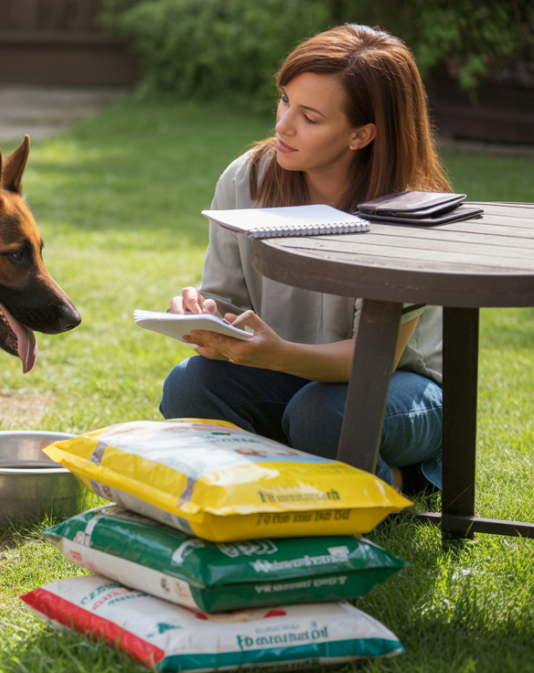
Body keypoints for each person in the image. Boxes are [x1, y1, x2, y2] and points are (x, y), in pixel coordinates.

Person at [158, 24, 447, 495]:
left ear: (361, 135)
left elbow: (375, 360)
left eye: (310, 117)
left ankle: (400, 479)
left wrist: (277, 355)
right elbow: (227, 301)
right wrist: (205, 317)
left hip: (402, 389)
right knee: (190, 385)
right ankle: (289, 477)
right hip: (286, 375)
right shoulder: (246, 180)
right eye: (285, 100)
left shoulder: (408, 212)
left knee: (320, 413)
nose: (283, 125)